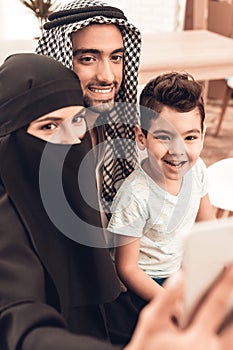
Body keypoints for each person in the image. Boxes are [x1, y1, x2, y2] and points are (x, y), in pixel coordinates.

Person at [0, 53, 233, 350]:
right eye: (48, 127)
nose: (70, 142)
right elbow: (21, 325)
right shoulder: (7, 227)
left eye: (76, 124)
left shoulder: (195, 173)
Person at [107, 72, 216, 303]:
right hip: (141, 284)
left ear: (203, 136)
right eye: (164, 137)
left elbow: (208, 228)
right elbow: (127, 268)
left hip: (177, 273)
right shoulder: (135, 195)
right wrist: (170, 302)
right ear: (141, 137)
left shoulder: (197, 170)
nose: (178, 150)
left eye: (190, 138)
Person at [36, 0, 142, 217]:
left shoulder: (121, 130)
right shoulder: (38, 143)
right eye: (88, 59)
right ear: (61, 60)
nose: (107, 76)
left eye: (116, 58)